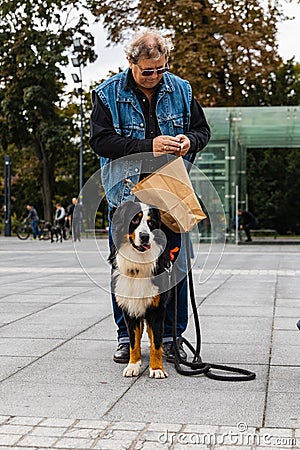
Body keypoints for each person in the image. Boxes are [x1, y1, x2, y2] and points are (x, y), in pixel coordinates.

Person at [89, 29, 210, 364]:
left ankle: (172, 337)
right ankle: (126, 338)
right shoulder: (108, 94)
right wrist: (148, 146)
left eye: (160, 69)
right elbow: (100, 142)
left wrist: (190, 141)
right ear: (131, 63)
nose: (155, 77)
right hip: (126, 199)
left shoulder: (182, 90)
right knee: (125, 268)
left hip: (170, 195)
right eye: (147, 71)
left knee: (175, 267)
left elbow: (203, 131)